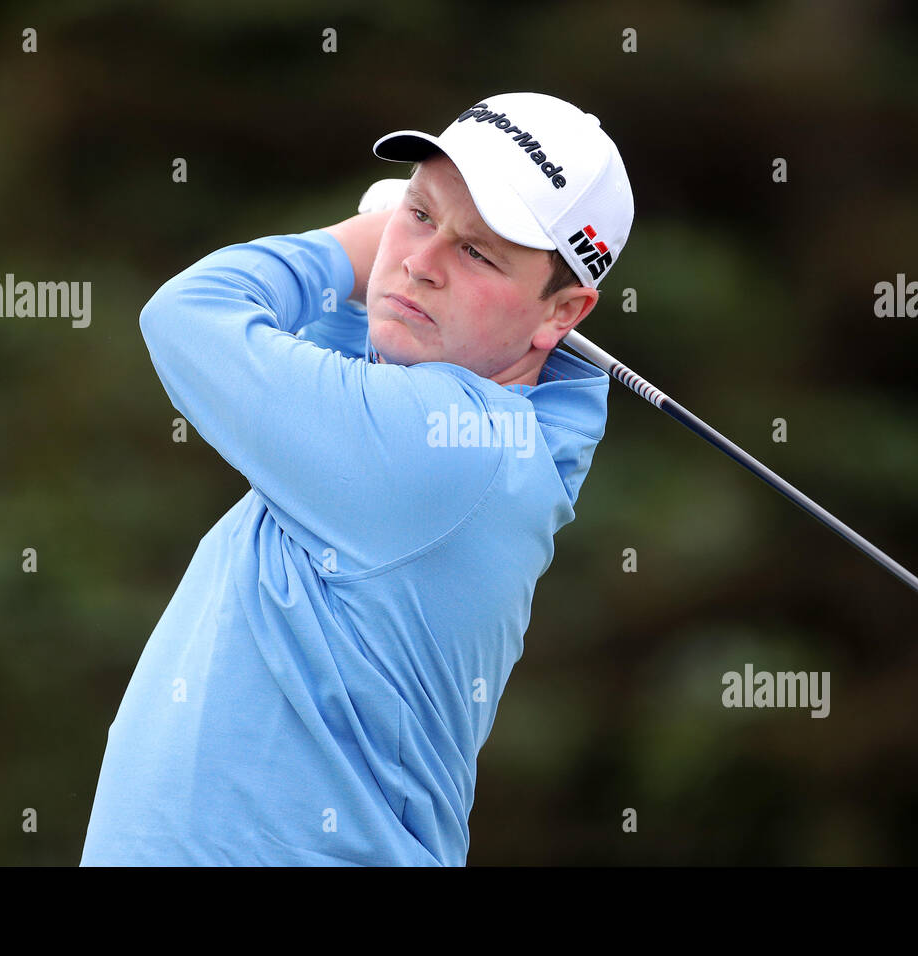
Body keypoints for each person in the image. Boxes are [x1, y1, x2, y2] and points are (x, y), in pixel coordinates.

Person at [80, 91, 634, 865]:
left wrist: (357, 244)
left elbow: (186, 315)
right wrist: (418, 251)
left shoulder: (442, 452)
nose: (420, 263)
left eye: (478, 252)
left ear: (563, 312)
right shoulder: (481, 434)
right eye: (420, 213)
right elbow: (362, 345)